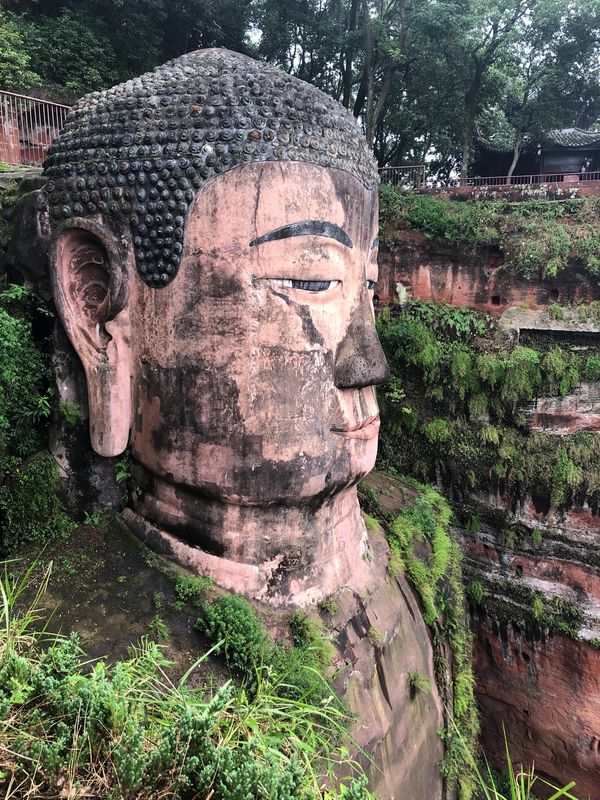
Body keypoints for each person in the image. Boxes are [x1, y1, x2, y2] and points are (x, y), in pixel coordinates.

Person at [43, 48, 389, 604]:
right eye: (310, 278)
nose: (369, 363)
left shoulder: (403, 567)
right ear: (96, 306)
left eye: (367, 285)